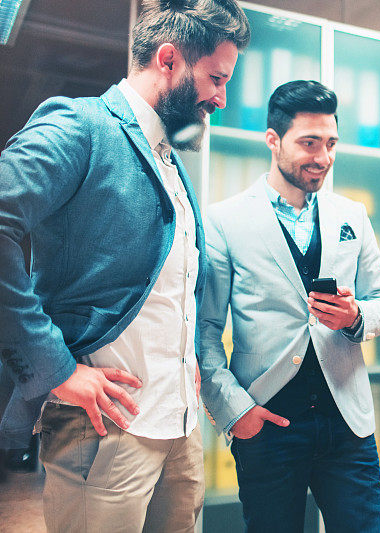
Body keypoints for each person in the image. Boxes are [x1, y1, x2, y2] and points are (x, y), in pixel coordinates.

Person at [0, 0, 250, 530]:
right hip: (104, 427)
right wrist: (56, 369)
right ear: (168, 60)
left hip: (178, 427)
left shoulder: (171, 156)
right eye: (216, 79)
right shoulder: (80, 125)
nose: (221, 99)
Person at [197, 79, 380, 533]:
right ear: (273, 141)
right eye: (308, 143)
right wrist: (235, 412)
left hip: (349, 423)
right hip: (266, 424)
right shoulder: (224, 221)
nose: (322, 157)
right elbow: (204, 331)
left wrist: (355, 317)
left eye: (330, 143)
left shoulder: (352, 216)